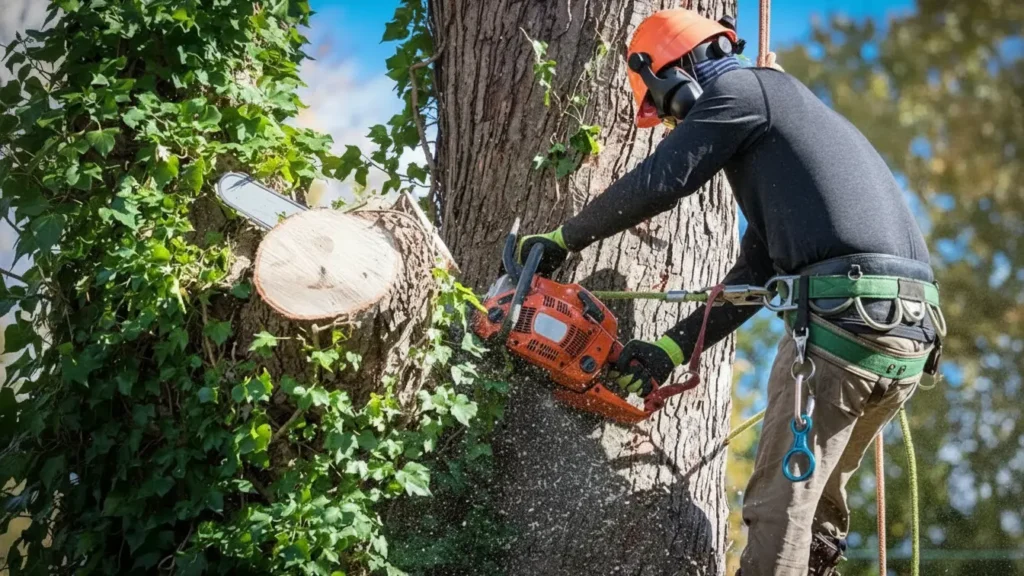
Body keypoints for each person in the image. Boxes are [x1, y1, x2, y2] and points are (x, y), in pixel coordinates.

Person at [515, 9, 944, 576]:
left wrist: (563, 238)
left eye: (666, 109)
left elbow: (663, 180)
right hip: (906, 338)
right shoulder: (783, 128)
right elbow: (757, 277)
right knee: (814, 515)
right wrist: (669, 351)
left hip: (846, 324)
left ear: (678, 74)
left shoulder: (743, 90)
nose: (673, 126)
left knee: (777, 510)